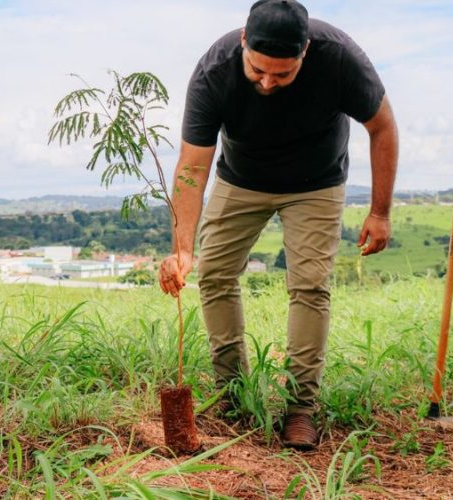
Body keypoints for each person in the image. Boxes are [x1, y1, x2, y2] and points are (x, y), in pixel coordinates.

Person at [159, 0, 398, 450]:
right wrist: (183, 248)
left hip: (317, 182)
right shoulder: (214, 70)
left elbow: (382, 126)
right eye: (258, 70)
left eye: (283, 74)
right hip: (241, 179)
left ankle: (300, 409)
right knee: (214, 274)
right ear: (243, 41)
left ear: (305, 51)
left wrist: (380, 212)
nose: (268, 82)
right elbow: (192, 165)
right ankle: (233, 395)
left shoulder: (340, 57)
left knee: (309, 285)